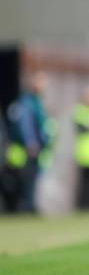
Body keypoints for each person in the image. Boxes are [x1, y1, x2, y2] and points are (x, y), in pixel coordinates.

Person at [4, 71, 51, 213]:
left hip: (35, 147)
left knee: (31, 178)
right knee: (24, 179)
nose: (45, 85)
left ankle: (29, 205)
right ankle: (25, 206)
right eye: (42, 82)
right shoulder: (27, 102)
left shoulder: (36, 101)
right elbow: (26, 124)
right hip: (26, 149)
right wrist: (31, 142)